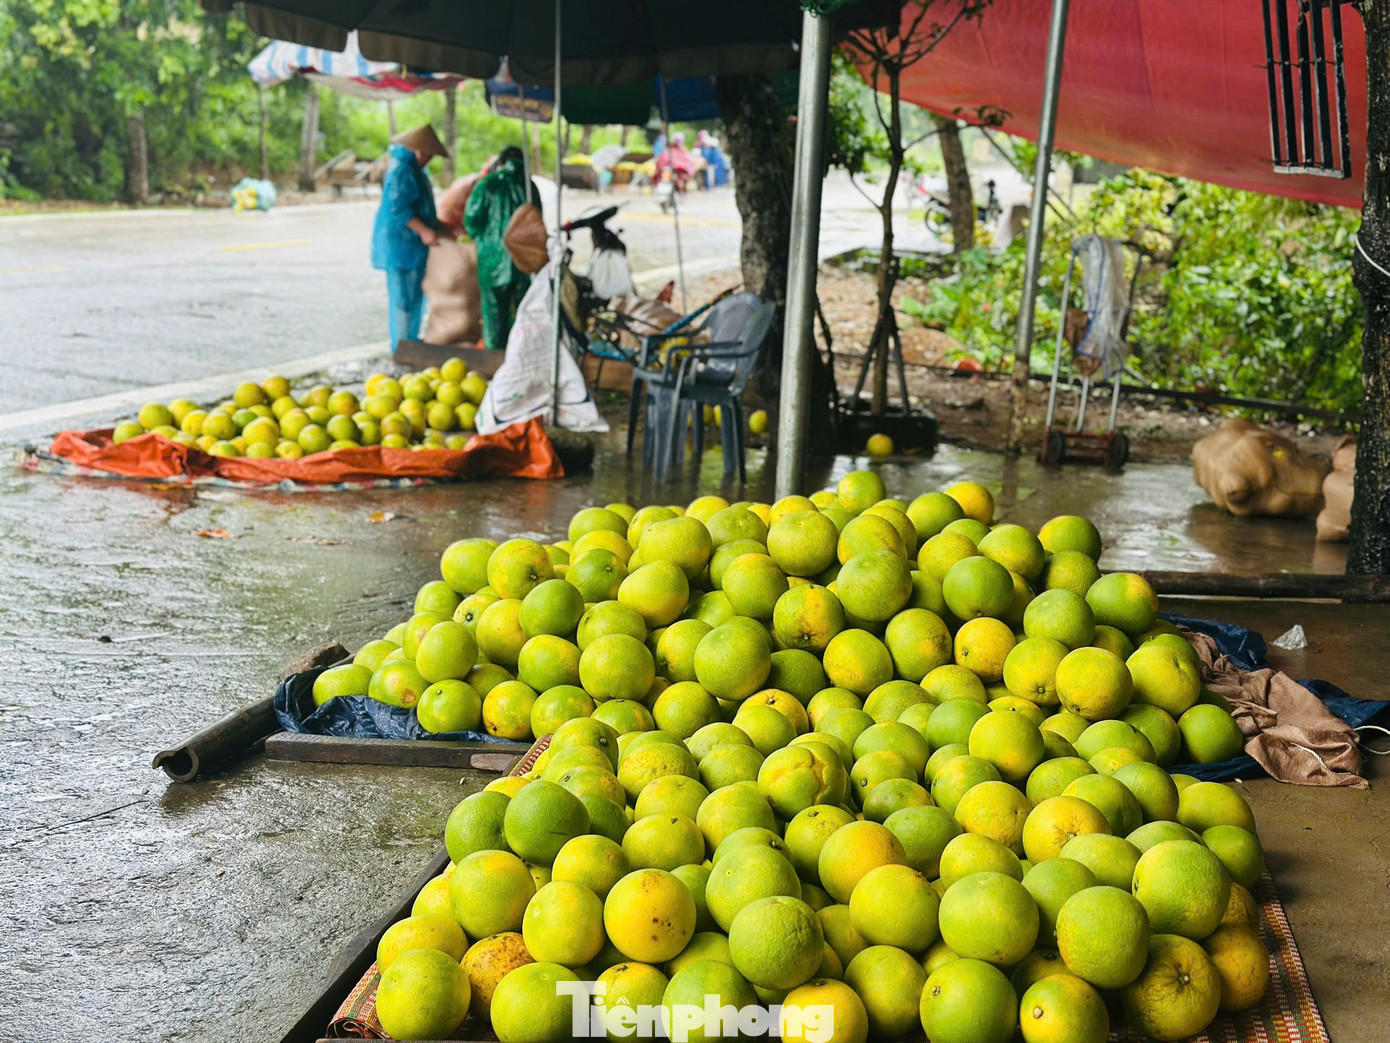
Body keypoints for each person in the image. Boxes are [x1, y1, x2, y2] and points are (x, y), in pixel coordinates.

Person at [371, 124, 449, 352]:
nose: (428, 158)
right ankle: (402, 349)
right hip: (400, 245)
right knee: (403, 301)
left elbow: (420, 207)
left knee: (415, 299)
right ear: (417, 150)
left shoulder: (416, 170)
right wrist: (424, 231)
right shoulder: (401, 170)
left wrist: (438, 226)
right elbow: (397, 210)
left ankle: (411, 345)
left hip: (412, 246)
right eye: (427, 154)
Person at [464, 146, 540, 352]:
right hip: (523, 262)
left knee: (494, 317)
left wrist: (482, 238)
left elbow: (471, 219)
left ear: (501, 161)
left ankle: (494, 363)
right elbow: (537, 222)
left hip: (492, 262)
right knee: (523, 316)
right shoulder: (529, 186)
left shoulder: (487, 184)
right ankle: (520, 358)